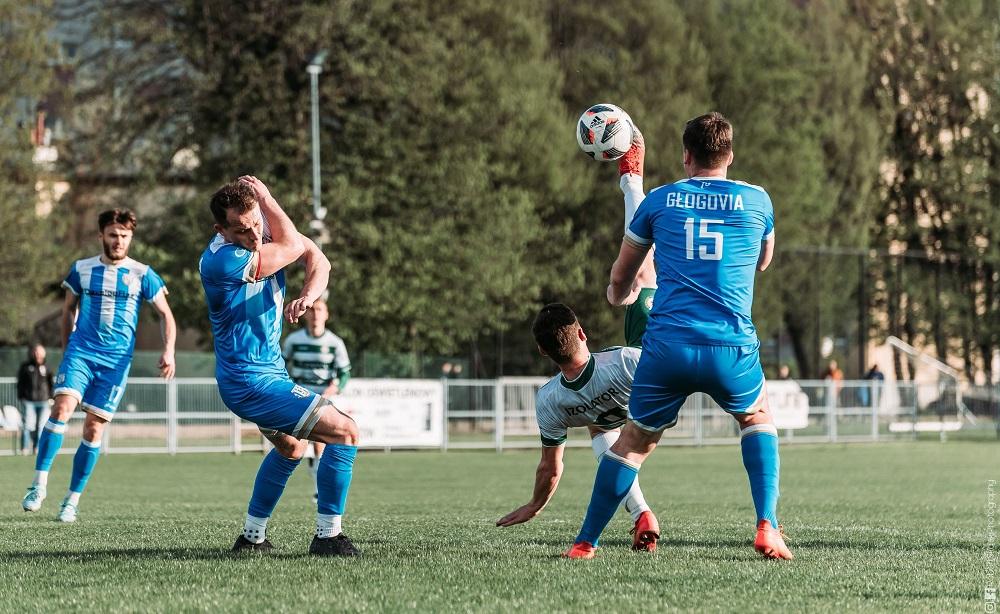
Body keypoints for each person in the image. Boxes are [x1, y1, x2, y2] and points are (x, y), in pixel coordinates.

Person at [564, 112, 792, 560]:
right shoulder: (757, 199)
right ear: (729, 155)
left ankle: (585, 542)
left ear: (686, 156)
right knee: (757, 418)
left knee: (632, 445)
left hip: (668, 346)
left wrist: (616, 294)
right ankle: (767, 525)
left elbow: (623, 275)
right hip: (730, 345)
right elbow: (764, 261)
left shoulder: (660, 201)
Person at [199, 176, 360, 556]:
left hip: (268, 374)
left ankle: (252, 537)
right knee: (345, 432)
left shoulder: (261, 235)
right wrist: (268, 198)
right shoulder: (221, 260)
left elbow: (320, 260)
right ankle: (328, 537)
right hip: (249, 381)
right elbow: (294, 246)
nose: (254, 235)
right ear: (221, 230)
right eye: (242, 230)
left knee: (291, 448)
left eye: (257, 223)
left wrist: (308, 296)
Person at [21, 208, 176, 522]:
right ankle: (38, 485)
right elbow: (68, 309)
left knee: (93, 429)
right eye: (113, 235)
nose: (119, 241)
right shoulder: (82, 269)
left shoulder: (142, 274)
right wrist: (68, 347)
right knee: (61, 409)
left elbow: (165, 315)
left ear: (131, 237)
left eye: (124, 236)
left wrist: (169, 350)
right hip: (81, 353)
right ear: (101, 236)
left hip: (115, 363)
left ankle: (71, 501)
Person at [496, 304, 659, 552]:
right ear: (582, 333)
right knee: (644, 296)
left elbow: (550, 468)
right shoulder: (624, 360)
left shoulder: (549, 400)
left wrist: (535, 505)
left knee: (599, 427)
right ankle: (641, 515)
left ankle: (640, 513)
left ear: (542, 350)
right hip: (652, 422)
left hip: (618, 432)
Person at [282, 298, 352, 501]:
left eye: (320, 309)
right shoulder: (294, 340)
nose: (315, 314)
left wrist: (334, 388)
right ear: (306, 315)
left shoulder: (335, 343)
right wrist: (287, 387)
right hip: (299, 396)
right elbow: (280, 365)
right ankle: (316, 485)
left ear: (327, 315)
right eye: (311, 310)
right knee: (295, 445)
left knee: (321, 443)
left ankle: (320, 489)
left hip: (323, 398)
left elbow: (345, 373)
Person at [619, 128, 657, 349]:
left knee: (641, 276)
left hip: (642, 358)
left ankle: (631, 180)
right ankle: (631, 179)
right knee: (642, 276)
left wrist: (616, 291)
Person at [16, 344, 54, 455]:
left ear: (44, 354)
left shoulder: (47, 367)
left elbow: (51, 384)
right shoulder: (25, 367)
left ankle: (37, 447)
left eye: (39, 352)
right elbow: (20, 383)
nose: (37, 354)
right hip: (29, 401)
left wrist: (52, 398)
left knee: (41, 426)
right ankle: (24, 448)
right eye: (35, 352)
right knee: (28, 425)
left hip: (44, 401)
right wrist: (21, 397)